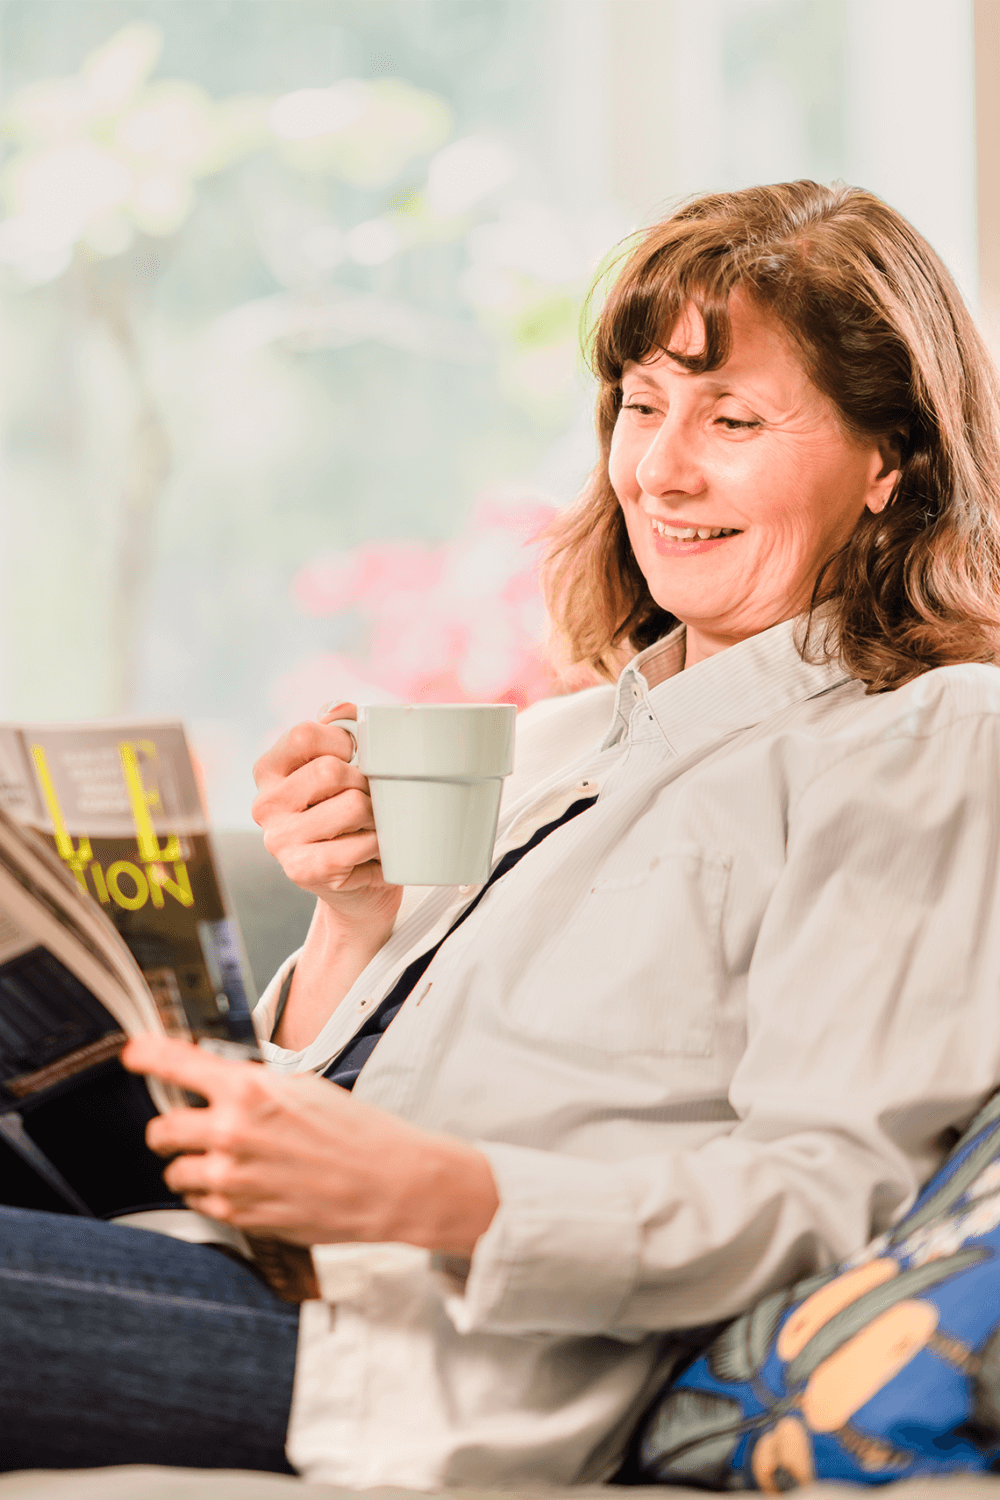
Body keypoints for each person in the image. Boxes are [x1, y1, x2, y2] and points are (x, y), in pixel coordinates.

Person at [4, 178, 1000, 1485]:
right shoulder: (564, 741)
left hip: (410, 1348)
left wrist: (449, 1197)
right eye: (641, 407)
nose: (660, 467)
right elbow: (346, 1109)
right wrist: (356, 915)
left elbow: (820, 1194)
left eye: (733, 417)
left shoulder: (923, 737)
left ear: (894, 461)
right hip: (243, 1245)